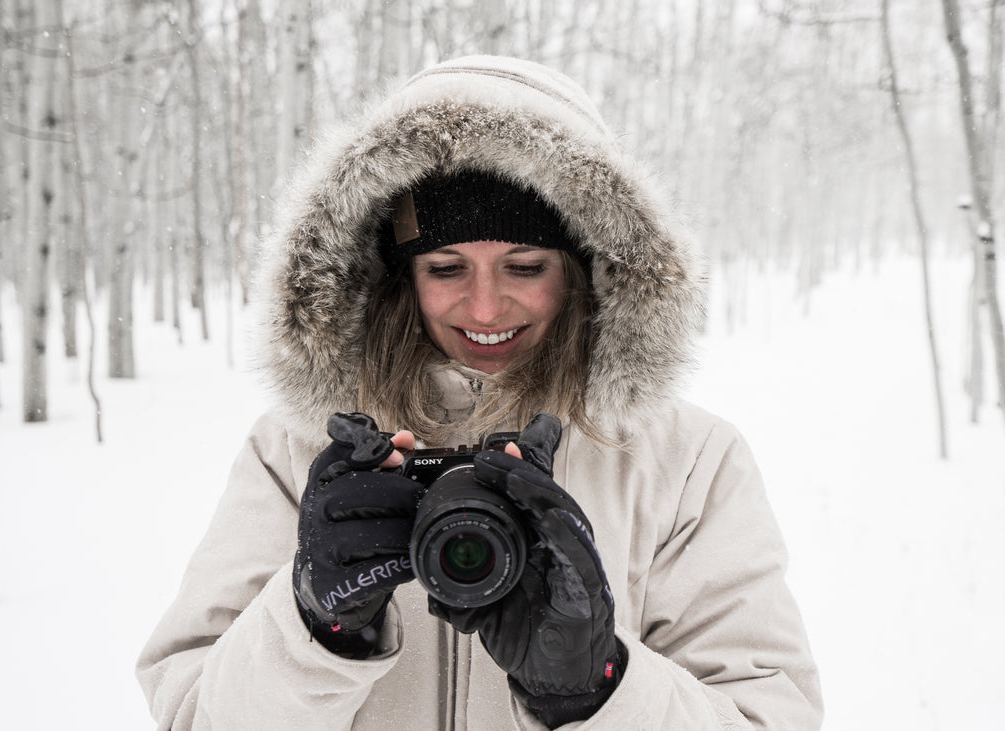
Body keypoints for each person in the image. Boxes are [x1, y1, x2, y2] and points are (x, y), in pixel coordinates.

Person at [137, 55, 823, 729]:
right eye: (446, 266)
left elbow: (769, 715)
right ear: (397, 275)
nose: (486, 307)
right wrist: (313, 625)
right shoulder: (298, 448)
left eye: (525, 265)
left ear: (585, 268)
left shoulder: (686, 464)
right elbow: (193, 716)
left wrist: (599, 687)